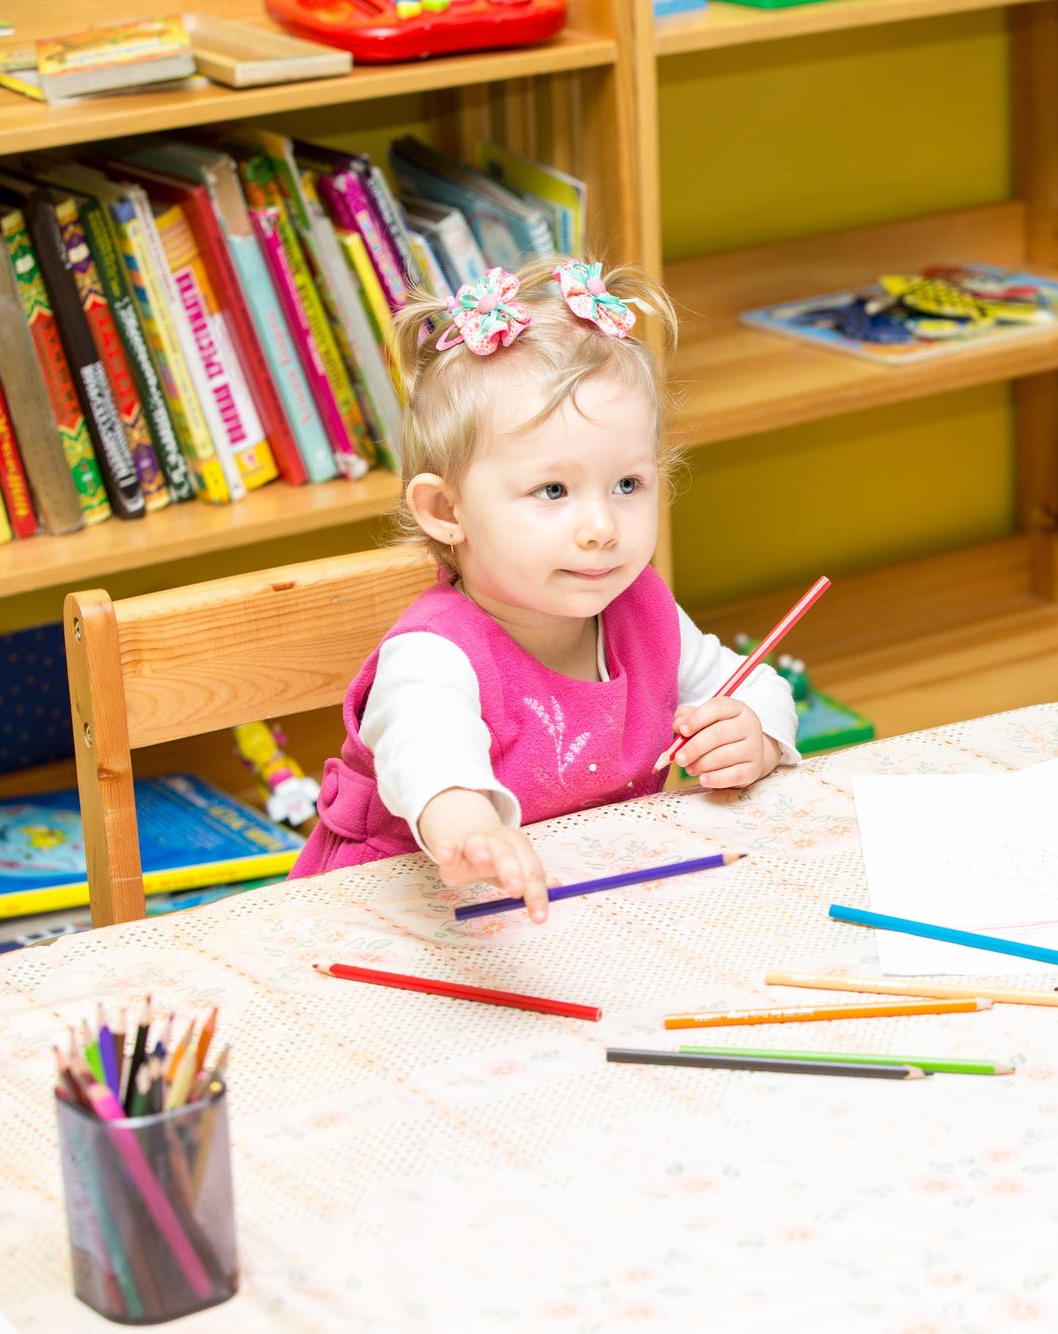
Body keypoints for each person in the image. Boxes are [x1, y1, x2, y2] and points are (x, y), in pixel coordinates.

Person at [290, 259, 797, 920]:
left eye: (628, 485)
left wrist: (754, 734)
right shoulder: (432, 654)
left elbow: (754, 684)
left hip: (571, 904)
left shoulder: (640, 609)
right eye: (553, 491)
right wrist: (471, 827)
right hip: (402, 915)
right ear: (448, 510)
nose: (600, 528)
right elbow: (429, 758)